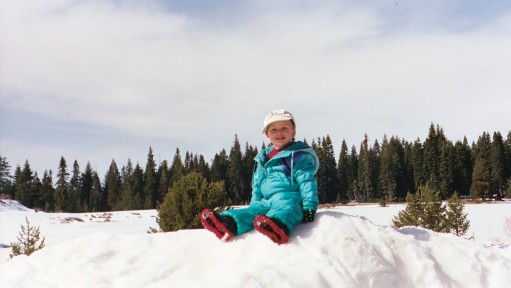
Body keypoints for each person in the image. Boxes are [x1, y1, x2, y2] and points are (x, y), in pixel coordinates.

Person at [200, 109, 319, 245]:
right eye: (273, 129)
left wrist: (309, 206)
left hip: (289, 197)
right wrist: (254, 203)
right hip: (265, 201)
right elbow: (257, 184)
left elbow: (306, 182)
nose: (279, 133)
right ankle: (227, 224)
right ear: (267, 135)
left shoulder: (298, 155)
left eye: (284, 128)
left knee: (286, 208)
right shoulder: (263, 158)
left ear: (293, 132)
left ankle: (278, 226)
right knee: (252, 211)